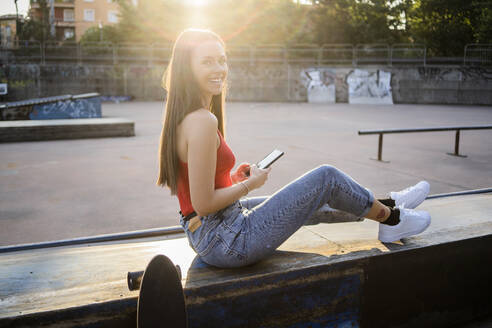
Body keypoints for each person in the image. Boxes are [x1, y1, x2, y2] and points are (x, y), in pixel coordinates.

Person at [157, 29, 431, 268]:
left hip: (211, 233)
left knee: (312, 197)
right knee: (326, 178)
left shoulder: (187, 117)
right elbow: (204, 204)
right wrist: (249, 186)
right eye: (207, 62)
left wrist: (233, 180)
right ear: (187, 69)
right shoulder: (203, 120)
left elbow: (197, 194)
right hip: (226, 240)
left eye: (222, 60)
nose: (219, 69)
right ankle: (392, 220)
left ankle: (390, 203)